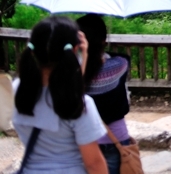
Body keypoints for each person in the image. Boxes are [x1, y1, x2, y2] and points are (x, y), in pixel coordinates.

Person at [12, 16, 107, 174]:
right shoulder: (79, 104)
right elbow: (93, 164)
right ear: (75, 50)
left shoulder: (16, 90)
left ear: (32, 48)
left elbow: (54, 92)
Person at [78, 14, 132, 174]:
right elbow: (124, 57)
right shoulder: (119, 64)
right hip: (115, 137)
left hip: (83, 139)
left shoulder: (70, 70)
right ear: (103, 40)